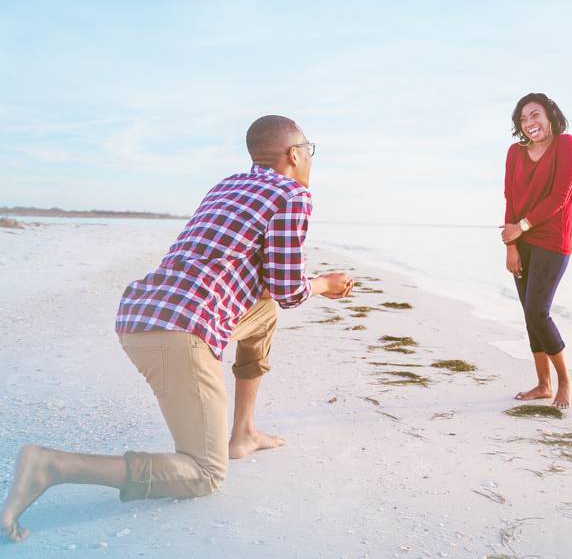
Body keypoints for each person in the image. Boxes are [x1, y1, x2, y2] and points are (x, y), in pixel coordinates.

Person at [1, 115, 353, 543]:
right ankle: (52, 466)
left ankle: (243, 432)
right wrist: (325, 285)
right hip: (181, 331)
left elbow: (263, 291)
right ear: (295, 154)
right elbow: (289, 289)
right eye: (309, 151)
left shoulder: (226, 185)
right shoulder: (292, 194)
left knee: (265, 314)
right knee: (204, 474)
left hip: (142, 313)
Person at [501, 93, 572, 409]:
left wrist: (521, 227)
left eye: (535, 115)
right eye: (523, 119)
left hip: (552, 241)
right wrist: (511, 245)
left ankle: (565, 381)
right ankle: (542, 384)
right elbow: (510, 198)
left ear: (549, 115)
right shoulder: (514, 152)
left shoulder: (566, 144)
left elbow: (560, 196)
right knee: (529, 315)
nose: (530, 123)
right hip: (521, 241)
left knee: (538, 311)